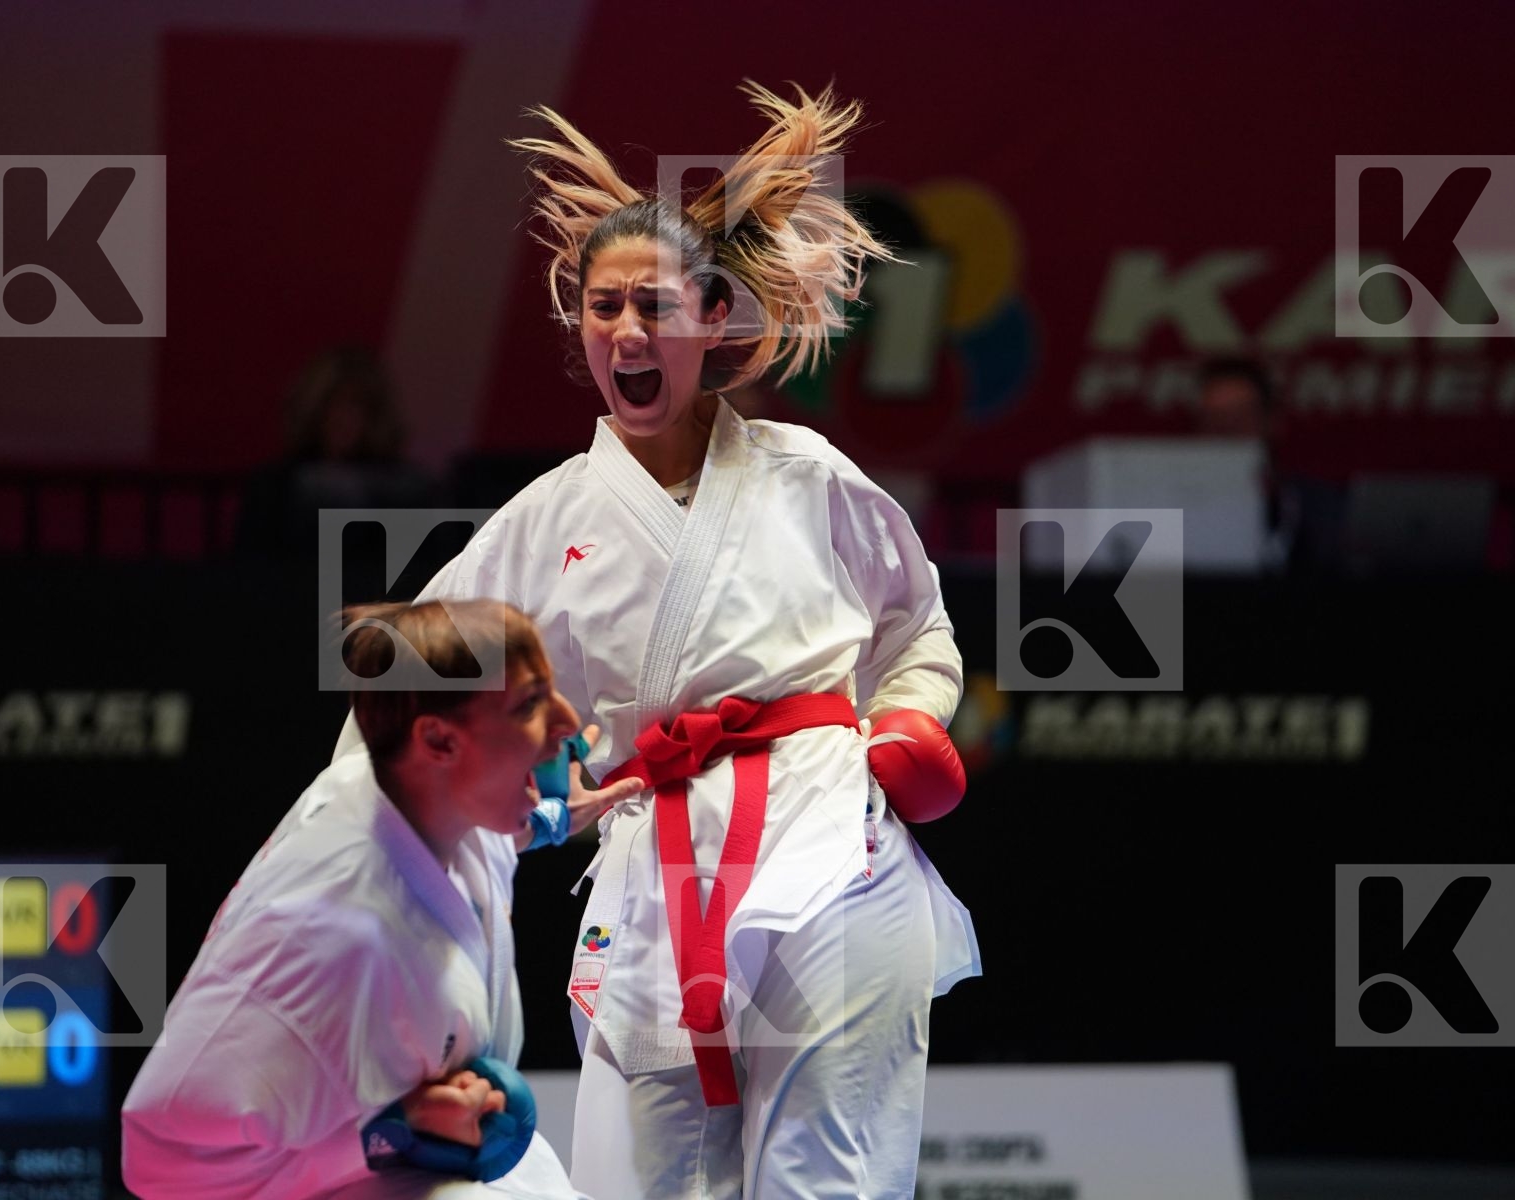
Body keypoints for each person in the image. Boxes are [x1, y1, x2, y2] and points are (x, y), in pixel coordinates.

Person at [335, 81, 981, 1197]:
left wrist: (909, 719)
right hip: (654, 874)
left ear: (714, 317)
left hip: (831, 852)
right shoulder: (544, 524)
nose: (626, 332)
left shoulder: (809, 478)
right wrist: (367, 850)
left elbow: (917, 626)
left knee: (831, 1183)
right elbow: (407, 688)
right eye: (602, 309)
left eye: (654, 307)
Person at [123, 599, 642, 1199]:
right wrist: (389, 1134)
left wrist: (546, 817)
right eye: (529, 704)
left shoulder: (411, 791)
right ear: (439, 741)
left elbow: (477, 841)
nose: (566, 722)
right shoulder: (326, 937)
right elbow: (157, 1157)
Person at [234, 345, 442, 562]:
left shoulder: (406, 491)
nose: (342, 418)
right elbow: (251, 573)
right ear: (313, 408)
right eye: (332, 404)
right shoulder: (275, 488)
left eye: (354, 405)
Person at [1194, 356, 1347, 576]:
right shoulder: (1167, 511)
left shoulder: (1320, 507)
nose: (1226, 430)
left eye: (1241, 416)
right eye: (1214, 418)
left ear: (1272, 422)